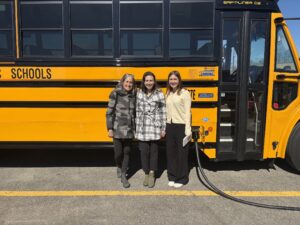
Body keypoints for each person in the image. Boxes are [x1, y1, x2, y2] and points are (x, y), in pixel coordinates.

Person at [135, 71, 166, 188]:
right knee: (143, 151)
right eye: (147, 80)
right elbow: (136, 111)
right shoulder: (139, 93)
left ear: (154, 81)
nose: (149, 83)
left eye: (151, 80)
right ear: (143, 81)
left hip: (154, 126)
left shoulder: (159, 94)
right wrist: (136, 127)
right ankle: (146, 173)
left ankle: (152, 173)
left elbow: (163, 112)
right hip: (142, 127)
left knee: (154, 152)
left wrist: (163, 128)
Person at [106, 74, 136, 188]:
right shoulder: (115, 93)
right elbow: (109, 112)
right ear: (123, 82)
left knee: (127, 152)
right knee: (118, 153)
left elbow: (135, 113)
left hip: (129, 129)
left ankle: (124, 175)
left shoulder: (134, 94)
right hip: (117, 128)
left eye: (131, 83)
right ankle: (118, 165)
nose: (128, 84)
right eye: (127, 82)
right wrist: (109, 128)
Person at [165, 71, 192, 188]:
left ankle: (182, 178)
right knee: (171, 153)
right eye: (171, 79)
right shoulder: (168, 93)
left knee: (181, 153)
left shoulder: (185, 93)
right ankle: (172, 176)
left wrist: (188, 129)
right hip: (170, 125)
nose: (173, 81)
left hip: (181, 126)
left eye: (175, 79)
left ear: (179, 80)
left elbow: (188, 112)